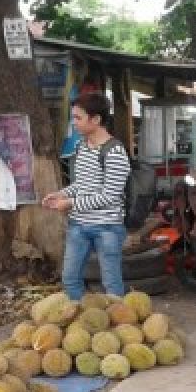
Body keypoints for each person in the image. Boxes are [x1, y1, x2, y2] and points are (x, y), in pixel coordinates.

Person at [42, 93, 131, 299]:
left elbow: (109, 196)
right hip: (78, 225)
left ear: (96, 120)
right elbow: (82, 184)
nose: (74, 123)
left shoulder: (114, 152)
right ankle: (79, 318)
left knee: (111, 282)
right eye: (73, 117)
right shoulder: (81, 147)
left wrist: (70, 203)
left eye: (78, 118)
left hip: (107, 227)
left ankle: (116, 323)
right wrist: (60, 194)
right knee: (70, 278)